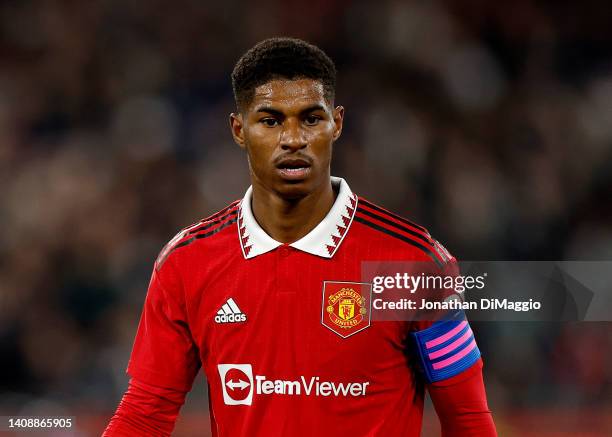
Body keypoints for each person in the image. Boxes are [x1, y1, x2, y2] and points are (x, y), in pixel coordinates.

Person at [104, 37, 497, 436]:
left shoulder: (412, 263)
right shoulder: (186, 263)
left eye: (310, 118)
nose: (293, 139)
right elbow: (144, 415)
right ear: (239, 130)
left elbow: (467, 418)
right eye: (271, 120)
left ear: (337, 124)